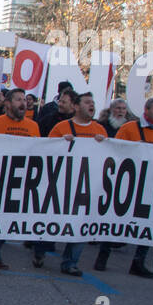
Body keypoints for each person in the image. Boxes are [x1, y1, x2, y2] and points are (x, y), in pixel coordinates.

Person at [95, 97, 153, 278]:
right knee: (116, 219)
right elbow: (116, 151)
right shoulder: (129, 128)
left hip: (152, 185)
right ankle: (103, 255)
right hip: (127, 184)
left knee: (147, 223)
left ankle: (138, 262)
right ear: (146, 111)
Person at [42, 92, 107, 274]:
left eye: (93, 103)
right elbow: (46, 151)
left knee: (81, 224)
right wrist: (60, 143)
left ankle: (70, 263)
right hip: (61, 185)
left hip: (87, 186)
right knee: (52, 221)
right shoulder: (62, 127)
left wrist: (104, 145)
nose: (91, 105)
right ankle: (40, 251)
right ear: (76, 107)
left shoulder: (100, 131)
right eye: (87, 102)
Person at [0, 88, 41, 275]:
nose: (23, 103)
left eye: (24, 99)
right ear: (7, 104)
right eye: (18, 100)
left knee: (7, 221)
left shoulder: (33, 126)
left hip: (21, 181)